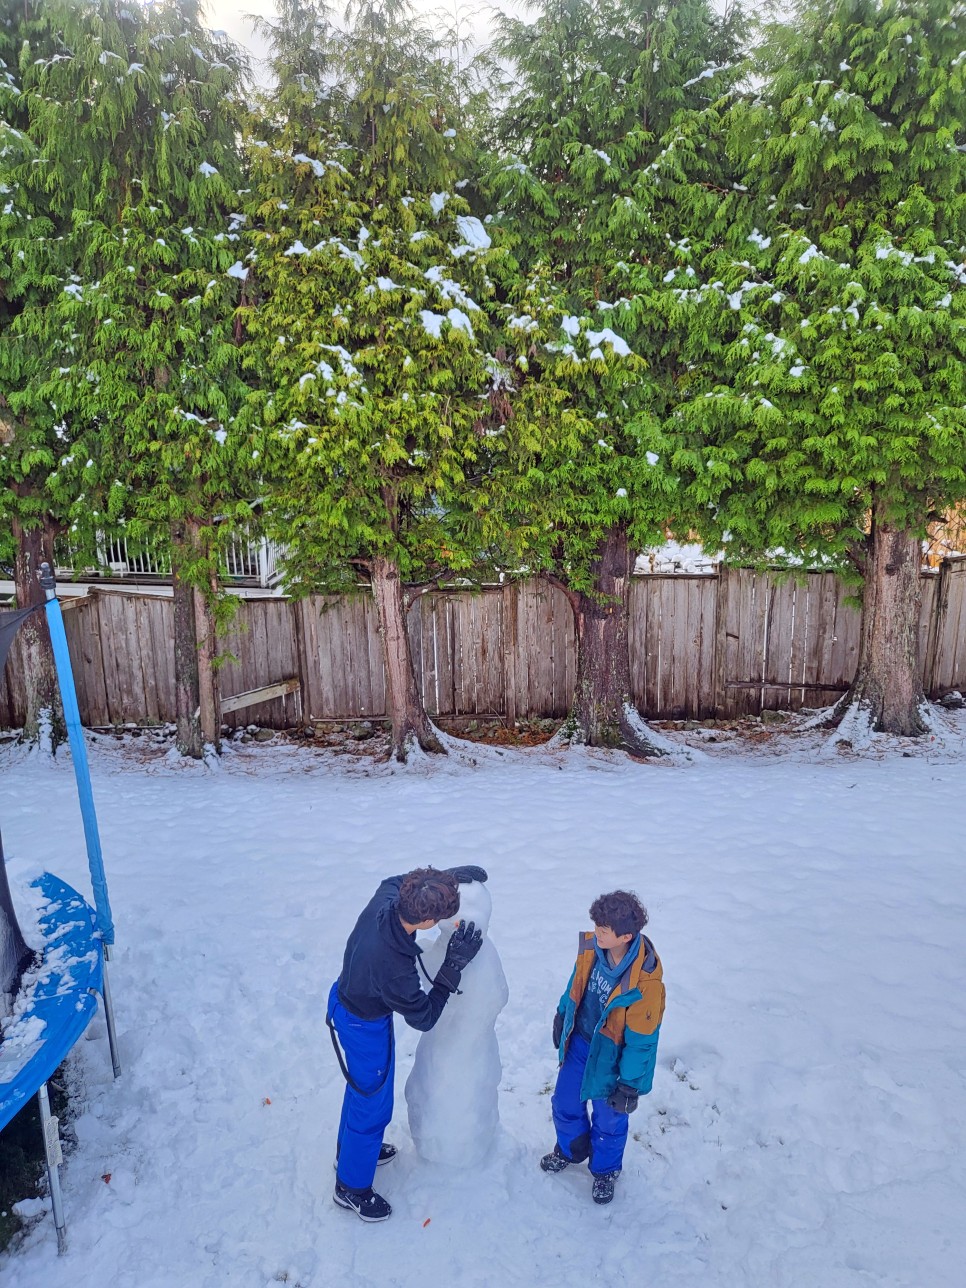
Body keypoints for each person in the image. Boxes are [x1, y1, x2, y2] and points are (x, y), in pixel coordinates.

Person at [327, 864, 487, 1222]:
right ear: (427, 922)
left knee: (361, 1093)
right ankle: (350, 1187)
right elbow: (424, 1017)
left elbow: (397, 880)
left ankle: (351, 1153)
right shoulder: (393, 966)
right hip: (362, 1024)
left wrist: (443, 879)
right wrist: (452, 967)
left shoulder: (389, 897)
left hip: (349, 998)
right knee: (372, 1105)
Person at [541, 890, 665, 1205]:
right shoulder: (592, 950)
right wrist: (561, 1014)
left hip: (612, 1057)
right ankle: (570, 1149)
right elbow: (575, 984)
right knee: (564, 1102)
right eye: (596, 926)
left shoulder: (645, 983)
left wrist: (629, 1084)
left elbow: (642, 1039)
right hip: (581, 1043)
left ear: (625, 936)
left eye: (603, 931)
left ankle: (605, 1171)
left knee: (610, 1120)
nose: (596, 934)